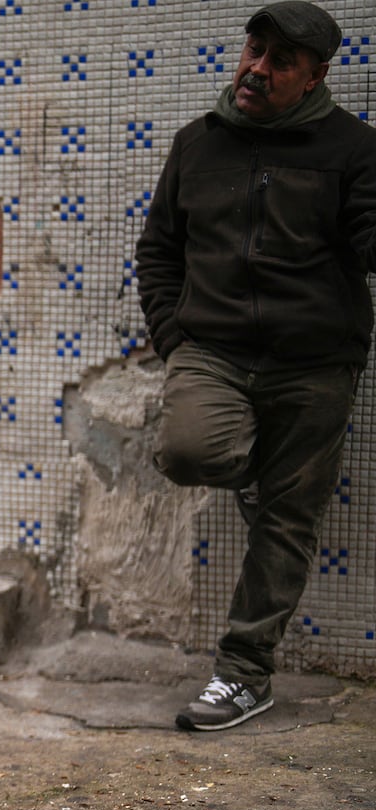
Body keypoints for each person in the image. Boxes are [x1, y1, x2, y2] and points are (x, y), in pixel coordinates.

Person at [136, 0, 376, 731]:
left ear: (314, 77)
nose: (257, 69)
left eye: (280, 61)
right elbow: (158, 252)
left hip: (315, 364)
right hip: (212, 351)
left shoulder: (353, 149)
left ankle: (244, 673)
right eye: (254, 49)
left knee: (287, 521)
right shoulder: (196, 145)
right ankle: (250, 464)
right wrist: (176, 338)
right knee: (185, 449)